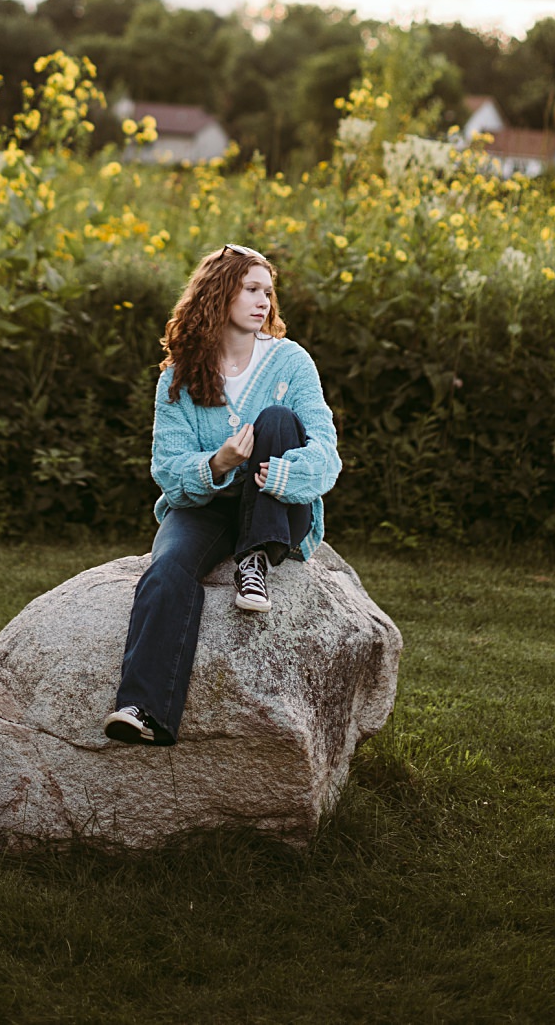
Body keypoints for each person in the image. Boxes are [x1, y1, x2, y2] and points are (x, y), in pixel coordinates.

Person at [103, 243, 341, 747]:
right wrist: (219, 463)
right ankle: (143, 708)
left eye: (268, 292)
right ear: (219, 295)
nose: (264, 303)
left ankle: (253, 560)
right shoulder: (180, 377)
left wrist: (278, 475)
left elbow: (326, 453)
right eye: (251, 290)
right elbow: (167, 469)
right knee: (165, 568)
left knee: (277, 419)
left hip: (279, 507)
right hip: (207, 508)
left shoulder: (290, 361)